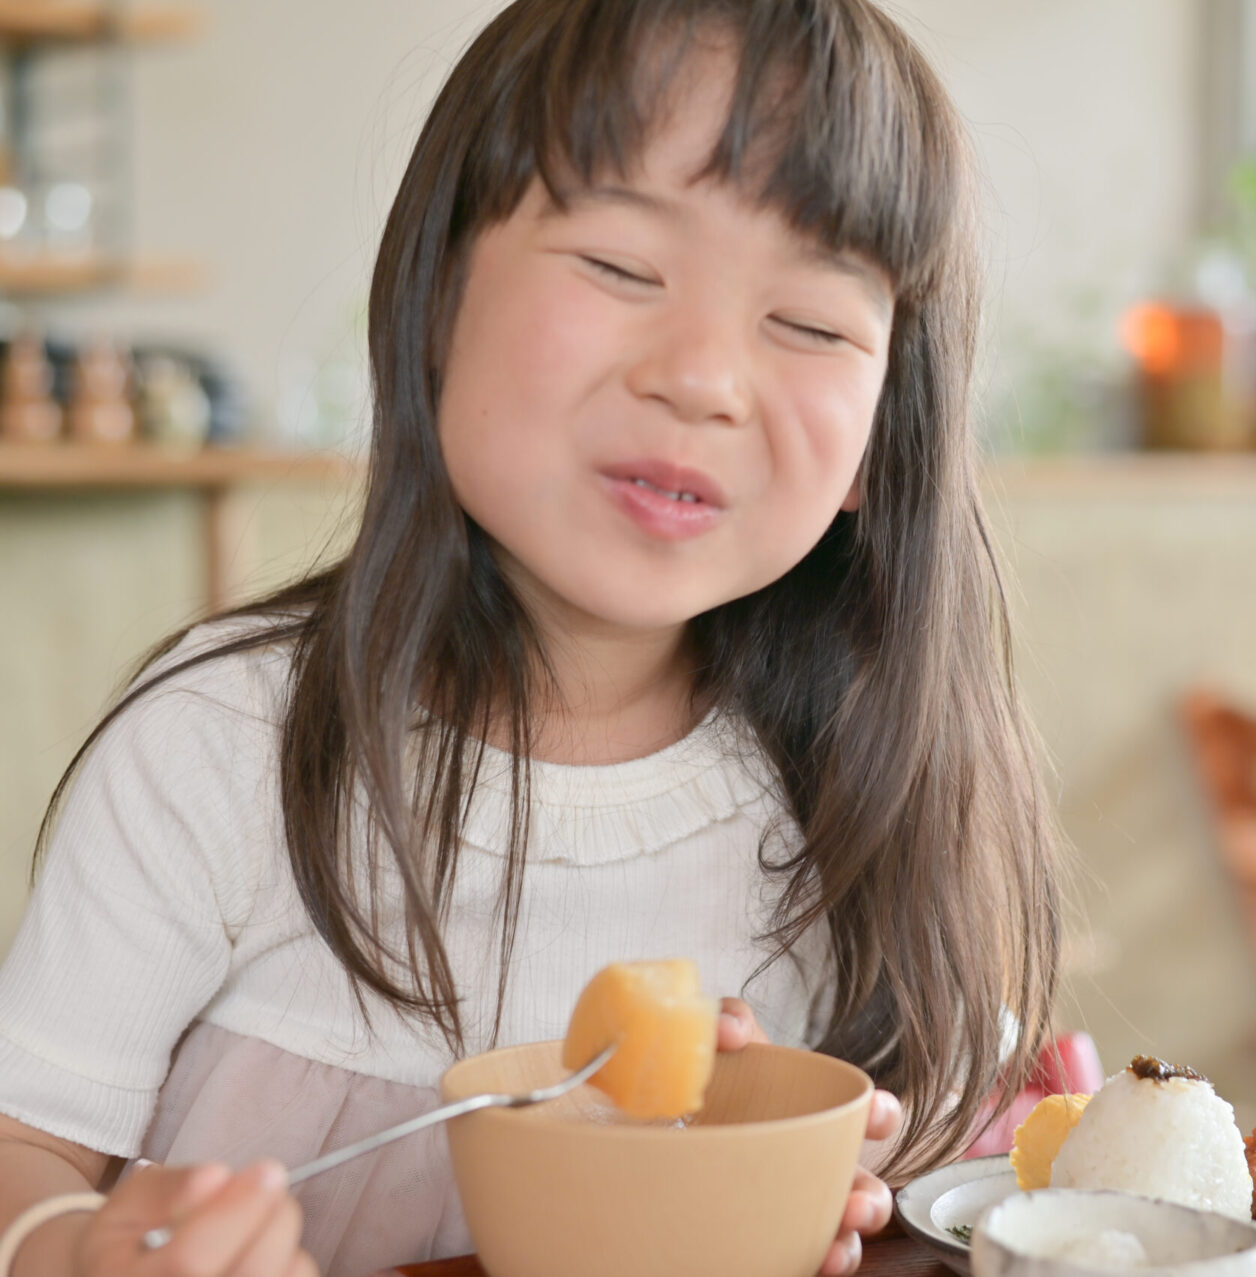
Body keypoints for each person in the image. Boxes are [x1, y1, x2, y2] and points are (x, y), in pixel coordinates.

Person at [0, 2, 1063, 1273]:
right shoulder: (228, 741)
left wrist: (836, 1173)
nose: (703, 378)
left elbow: (959, 1150)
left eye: (811, 325)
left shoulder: (856, 790)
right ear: (439, 292)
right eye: (621, 267)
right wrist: (76, 1247)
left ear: (883, 438)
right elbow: (27, 1153)